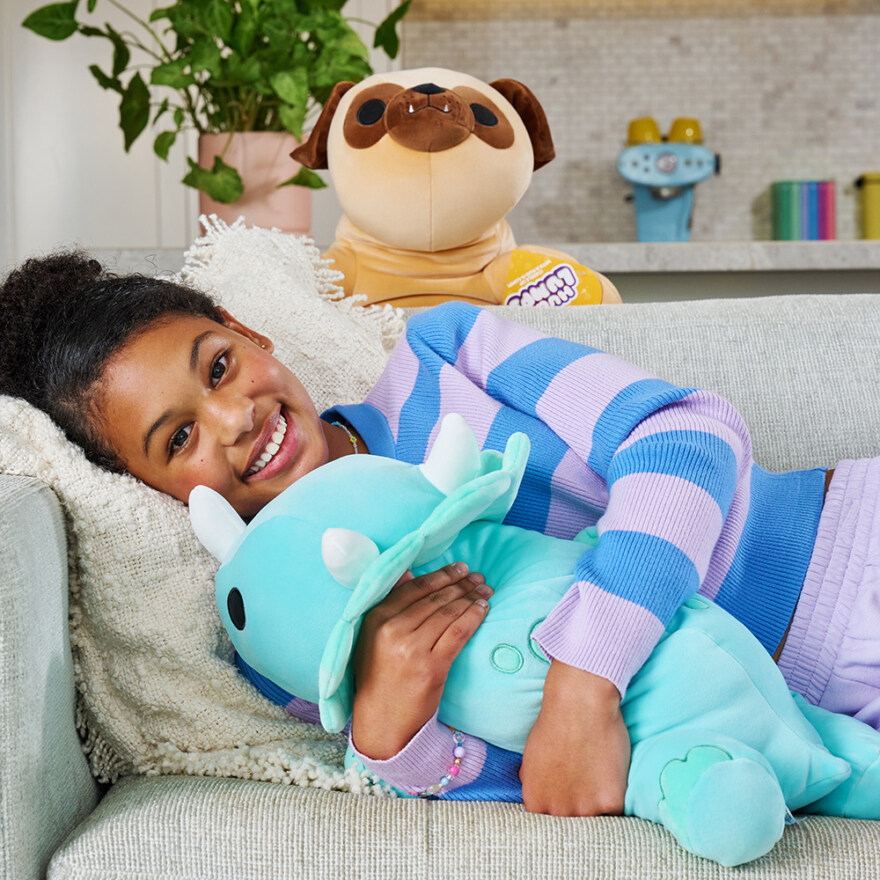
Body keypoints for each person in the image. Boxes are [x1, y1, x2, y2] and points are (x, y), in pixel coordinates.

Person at [1, 250, 875, 815]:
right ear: (148, 492)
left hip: (848, 557)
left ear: (250, 334)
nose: (234, 418)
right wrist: (393, 738)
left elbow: (684, 433)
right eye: (178, 439)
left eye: (220, 365)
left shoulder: (446, 352)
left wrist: (586, 678)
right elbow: (534, 770)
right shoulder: (284, 629)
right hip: (786, 736)